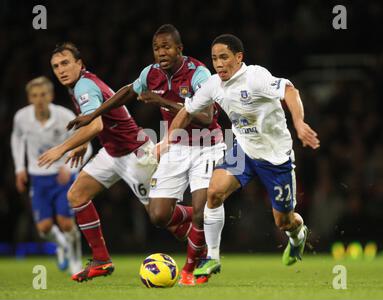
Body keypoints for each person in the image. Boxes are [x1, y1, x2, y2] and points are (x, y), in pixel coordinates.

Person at [66, 24, 226, 285]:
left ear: (179, 49)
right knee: (159, 215)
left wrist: (162, 102)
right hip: (176, 145)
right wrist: (93, 115)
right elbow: (127, 92)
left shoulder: (199, 73)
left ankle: (190, 269)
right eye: (156, 48)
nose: (160, 52)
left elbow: (207, 116)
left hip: (206, 145)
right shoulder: (150, 74)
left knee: (200, 210)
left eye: (166, 47)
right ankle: (196, 216)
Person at [162, 34, 320, 278]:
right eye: (214, 58)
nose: (218, 64)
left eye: (224, 57)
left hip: (275, 158)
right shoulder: (214, 84)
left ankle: (298, 235)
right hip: (244, 150)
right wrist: (167, 140)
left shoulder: (256, 78)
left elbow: (290, 90)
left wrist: (298, 123)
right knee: (214, 193)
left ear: (238, 57)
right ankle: (212, 257)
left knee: (284, 221)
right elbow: (188, 111)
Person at [38, 42, 158, 282]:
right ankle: (101, 260)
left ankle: (202, 232)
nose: (61, 70)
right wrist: (83, 143)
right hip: (112, 152)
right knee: (76, 196)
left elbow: (95, 124)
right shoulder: (80, 84)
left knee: (161, 217)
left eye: (65, 63)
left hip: (136, 153)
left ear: (79, 64)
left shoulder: (83, 85)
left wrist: (61, 148)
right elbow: (98, 120)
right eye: (56, 66)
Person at [11, 76, 84, 275]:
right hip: (38, 177)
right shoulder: (22, 117)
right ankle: (62, 245)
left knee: (66, 223)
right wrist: (20, 168)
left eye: (43, 94)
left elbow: (84, 144)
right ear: (29, 98)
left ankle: (76, 262)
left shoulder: (64, 116)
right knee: (43, 228)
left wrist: (70, 168)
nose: (39, 99)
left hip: (62, 177)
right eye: (35, 95)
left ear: (50, 95)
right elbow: (17, 138)